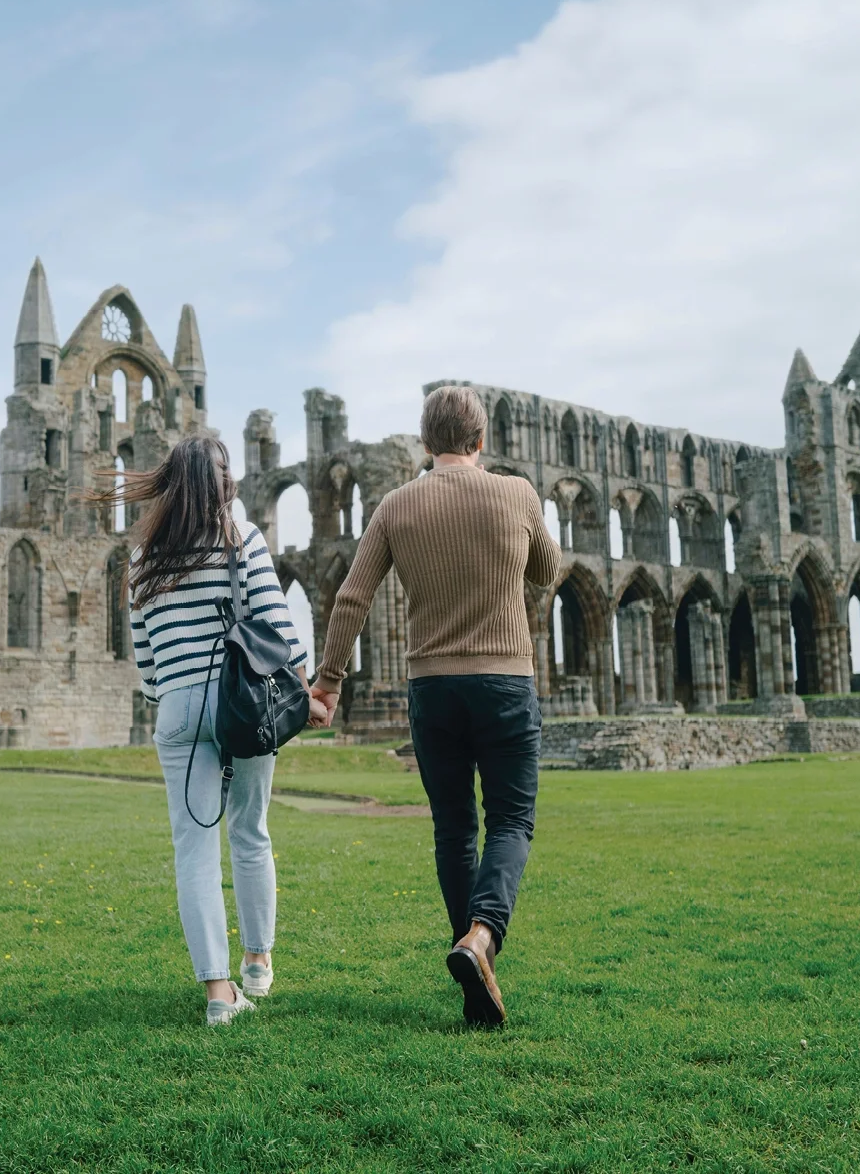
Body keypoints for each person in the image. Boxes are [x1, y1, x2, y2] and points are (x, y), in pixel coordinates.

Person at [307, 385, 559, 1027]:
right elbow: (546, 571)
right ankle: (482, 937)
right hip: (505, 681)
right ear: (481, 439)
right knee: (511, 821)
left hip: (432, 688)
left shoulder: (396, 504)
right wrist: (525, 524)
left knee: (453, 828)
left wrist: (329, 681)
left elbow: (352, 596)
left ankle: (474, 965)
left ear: (425, 442)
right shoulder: (516, 493)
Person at [113, 435, 325, 1026]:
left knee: (194, 849)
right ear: (218, 482)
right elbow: (276, 624)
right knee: (250, 830)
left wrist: (169, 701)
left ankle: (218, 992)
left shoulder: (142, 557)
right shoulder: (241, 539)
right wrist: (305, 695)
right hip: (242, 703)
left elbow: (145, 655)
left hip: (177, 708)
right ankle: (257, 962)